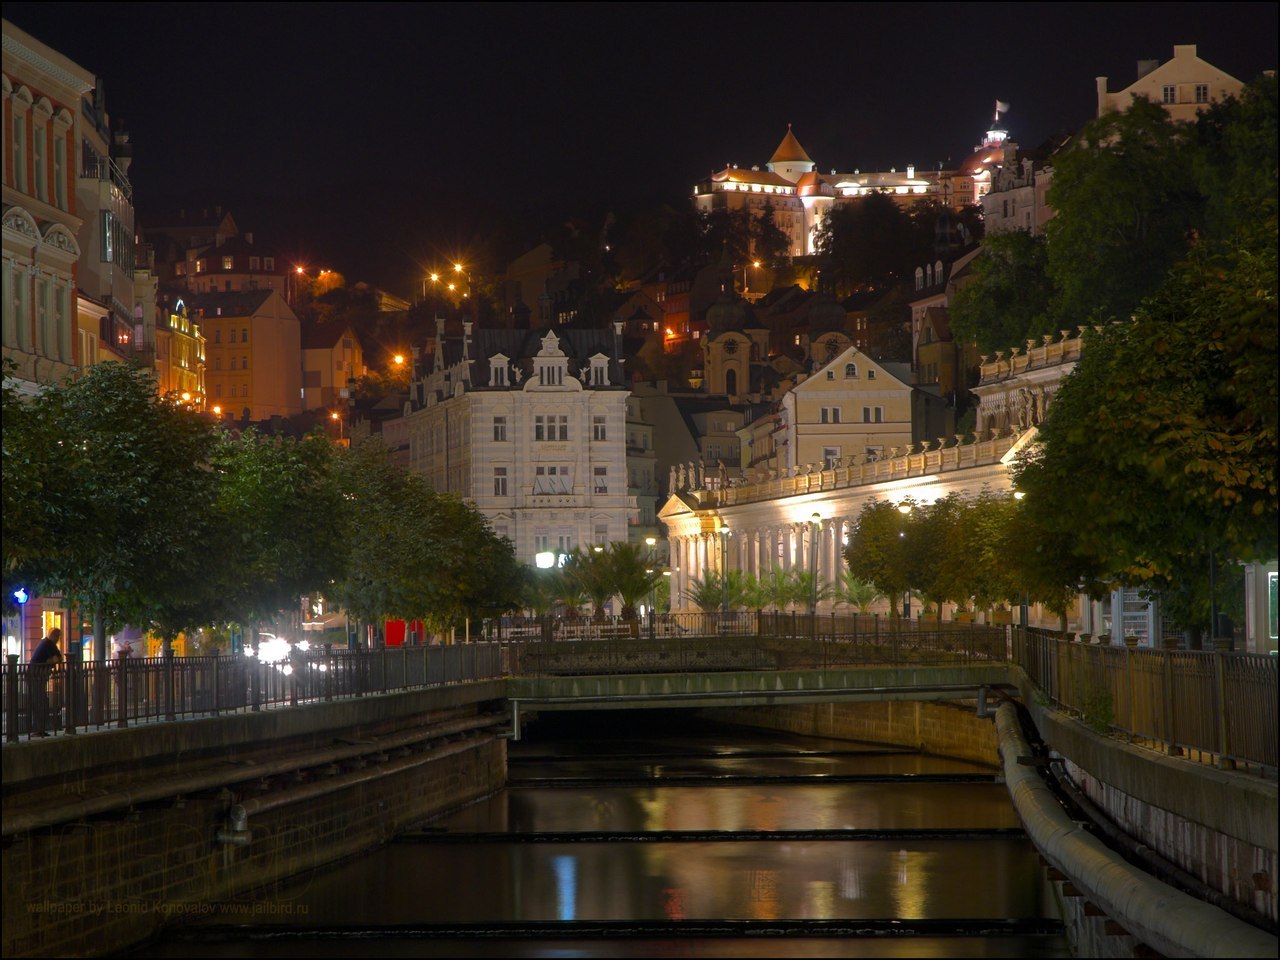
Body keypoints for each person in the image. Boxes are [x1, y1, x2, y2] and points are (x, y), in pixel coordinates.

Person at [29, 628, 64, 736]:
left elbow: (60, 658)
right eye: (56, 636)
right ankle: (37, 729)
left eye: (59, 636)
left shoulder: (52, 645)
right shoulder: (46, 644)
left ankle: (40, 729)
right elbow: (51, 660)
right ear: (52, 635)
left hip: (41, 676)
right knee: (38, 701)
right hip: (35, 676)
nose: (58, 638)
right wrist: (53, 659)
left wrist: (54, 659)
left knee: (41, 701)